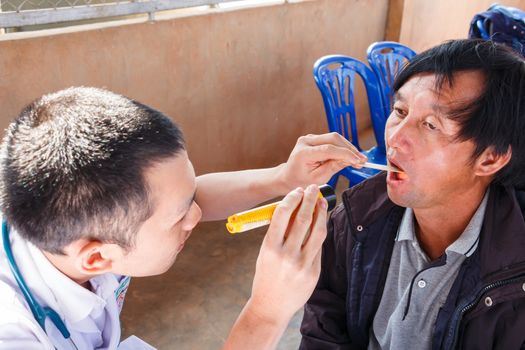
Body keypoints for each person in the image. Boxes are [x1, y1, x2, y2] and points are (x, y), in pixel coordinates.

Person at [0, 87, 367, 349]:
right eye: (180, 216)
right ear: (97, 258)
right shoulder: (16, 334)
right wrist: (267, 314)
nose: (196, 213)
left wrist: (283, 177)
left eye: (190, 195)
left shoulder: (81, 229)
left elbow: (189, 200)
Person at [300, 39, 525, 349]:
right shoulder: (355, 218)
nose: (395, 138)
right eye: (399, 111)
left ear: (490, 158)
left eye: (430, 124)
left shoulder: (515, 284)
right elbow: (323, 329)